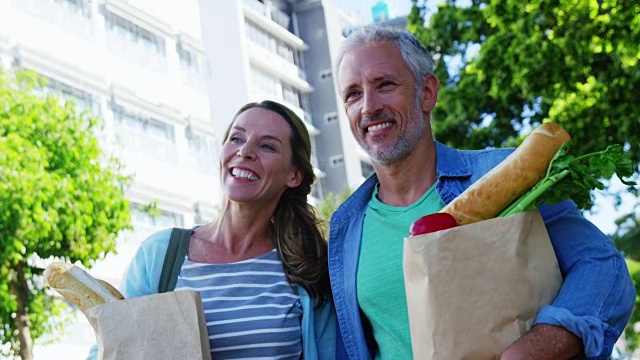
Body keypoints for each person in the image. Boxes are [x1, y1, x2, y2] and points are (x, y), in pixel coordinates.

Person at [328, 25, 635, 360]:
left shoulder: (506, 176)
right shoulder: (346, 227)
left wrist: (539, 347)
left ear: (427, 91)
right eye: (353, 94)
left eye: (384, 85)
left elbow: (603, 267)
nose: (369, 107)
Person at [87, 100, 337, 359]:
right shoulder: (160, 255)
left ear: (294, 175)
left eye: (266, 145)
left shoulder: (307, 267)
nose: (245, 152)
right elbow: (111, 348)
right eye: (237, 138)